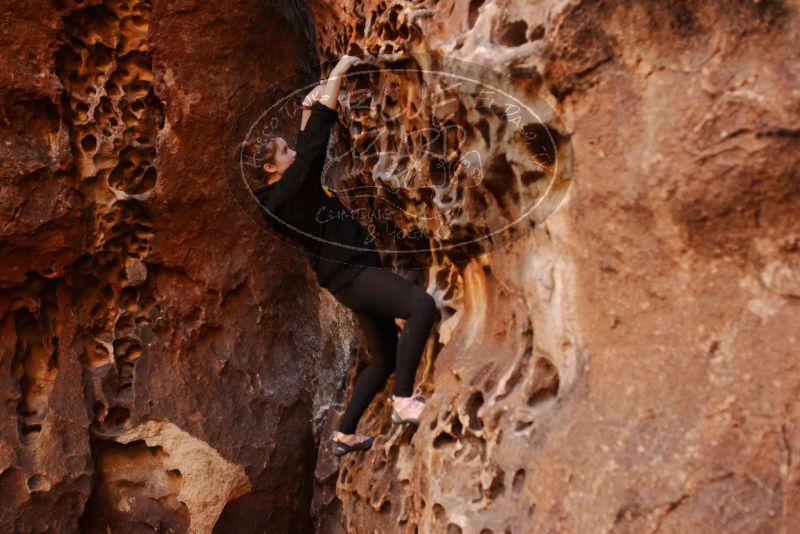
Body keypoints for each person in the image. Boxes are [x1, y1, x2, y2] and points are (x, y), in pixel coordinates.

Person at [244, 55, 438, 457]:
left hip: (348, 275)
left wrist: (303, 110)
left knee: (382, 358)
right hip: (354, 275)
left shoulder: (280, 196)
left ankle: (345, 433)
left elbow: (305, 150)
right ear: (270, 168)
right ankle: (404, 402)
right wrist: (337, 74)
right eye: (283, 152)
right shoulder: (289, 192)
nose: (291, 153)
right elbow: (315, 143)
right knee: (421, 307)